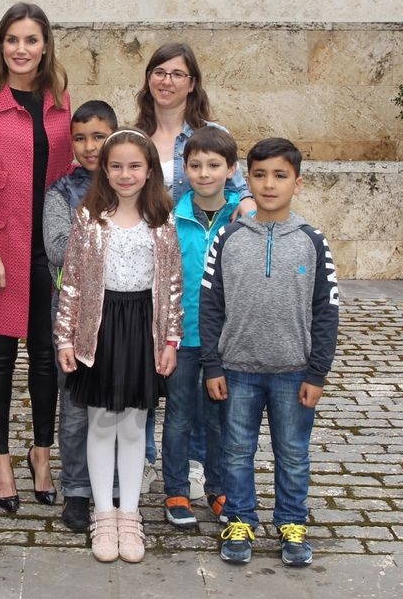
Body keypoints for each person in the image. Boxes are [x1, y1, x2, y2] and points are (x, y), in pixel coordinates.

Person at [0, 2, 73, 512]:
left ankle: (41, 454)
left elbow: (71, 177)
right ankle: (2, 459)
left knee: (46, 357)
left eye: (30, 40)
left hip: (48, 251)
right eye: (12, 40)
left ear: (45, 44)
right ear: (0, 45)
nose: (21, 49)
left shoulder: (59, 99)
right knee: (0, 359)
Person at [202, 137, 339, 568]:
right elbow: (210, 305)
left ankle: (292, 523)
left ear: (297, 183)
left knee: (293, 452)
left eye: (280, 175)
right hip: (237, 370)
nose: (269, 184)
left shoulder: (312, 241)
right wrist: (212, 365)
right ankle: (240, 519)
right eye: (259, 175)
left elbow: (327, 311)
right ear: (248, 179)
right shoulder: (228, 237)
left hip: (293, 373)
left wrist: (317, 374)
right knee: (236, 451)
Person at [54, 128, 182, 564]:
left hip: (142, 328)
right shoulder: (90, 219)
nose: (125, 174)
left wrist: (170, 339)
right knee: (102, 423)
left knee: (133, 425)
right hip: (101, 329)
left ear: (149, 171)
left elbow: (173, 285)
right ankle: (103, 514)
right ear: (104, 170)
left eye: (134, 166)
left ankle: (130, 515)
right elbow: (71, 282)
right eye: (116, 166)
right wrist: (65, 338)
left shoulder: (162, 221)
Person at [134, 41, 255, 496]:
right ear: (149, 78)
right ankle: (146, 458)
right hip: (146, 263)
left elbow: (238, 190)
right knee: (145, 368)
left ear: (192, 82)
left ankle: (199, 465)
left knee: (199, 385)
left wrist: (245, 209)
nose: (167, 81)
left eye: (177, 74)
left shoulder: (209, 133)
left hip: (199, 262)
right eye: (159, 72)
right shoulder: (135, 135)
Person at [43, 100, 118, 531]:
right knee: (73, 406)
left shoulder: (132, 183)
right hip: (71, 313)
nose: (90, 147)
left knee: (114, 403)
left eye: (99, 136)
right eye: (81, 138)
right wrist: (113, 244)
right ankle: (76, 489)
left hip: (125, 311)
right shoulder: (61, 191)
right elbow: (57, 248)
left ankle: (110, 487)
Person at [161, 125, 239, 529]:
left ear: (230, 169)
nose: (204, 173)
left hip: (228, 340)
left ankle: (219, 486)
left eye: (213, 165)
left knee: (220, 418)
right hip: (183, 335)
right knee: (178, 415)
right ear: (184, 169)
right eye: (195, 165)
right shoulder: (173, 217)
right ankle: (176, 488)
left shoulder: (242, 216)